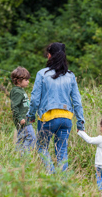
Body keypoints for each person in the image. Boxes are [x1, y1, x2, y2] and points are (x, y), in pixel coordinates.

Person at [27, 42, 85, 174]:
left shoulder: (42, 74)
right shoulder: (70, 76)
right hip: (66, 119)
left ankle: (51, 174)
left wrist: (31, 116)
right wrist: (80, 123)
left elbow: (35, 99)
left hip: (47, 118)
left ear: (49, 56)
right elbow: (77, 101)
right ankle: (62, 183)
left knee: (42, 147)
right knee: (62, 151)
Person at [10, 66, 36, 153]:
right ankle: (23, 155)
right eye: (26, 80)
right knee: (31, 137)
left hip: (26, 119)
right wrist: (20, 118)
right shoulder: (17, 92)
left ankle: (17, 155)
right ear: (18, 81)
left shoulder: (20, 90)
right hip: (23, 121)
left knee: (21, 139)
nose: (28, 81)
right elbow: (14, 106)